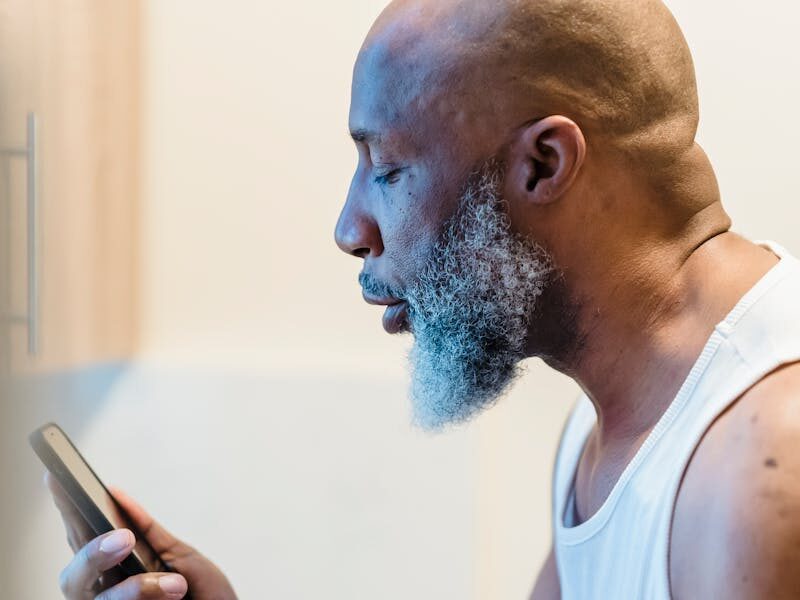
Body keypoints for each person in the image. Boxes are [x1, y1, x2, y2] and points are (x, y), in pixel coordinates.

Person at [48, 0, 800, 598]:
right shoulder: (614, 427)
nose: (350, 230)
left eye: (390, 169)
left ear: (544, 162)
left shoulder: (758, 471)